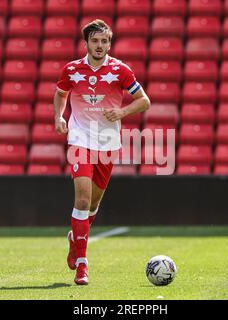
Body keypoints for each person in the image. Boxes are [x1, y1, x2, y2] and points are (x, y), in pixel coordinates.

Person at [54, 20, 151, 285]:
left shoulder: (120, 70)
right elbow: (61, 93)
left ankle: (75, 239)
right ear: (86, 43)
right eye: (95, 41)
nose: (100, 46)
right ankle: (82, 266)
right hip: (80, 139)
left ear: (109, 43)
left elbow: (144, 101)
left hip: (107, 143)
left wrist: (122, 112)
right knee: (82, 201)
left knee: (94, 204)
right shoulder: (72, 69)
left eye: (104, 41)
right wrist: (59, 117)